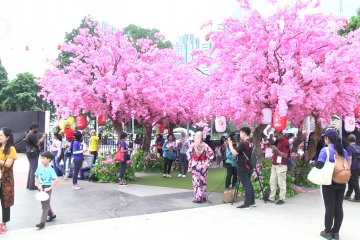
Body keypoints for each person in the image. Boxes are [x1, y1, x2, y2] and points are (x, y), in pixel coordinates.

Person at [315, 128, 350, 240]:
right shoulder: (343, 151)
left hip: (328, 182)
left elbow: (320, 165)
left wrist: (313, 163)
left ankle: (328, 232)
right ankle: (336, 232)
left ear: (327, 138)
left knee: (329, 207)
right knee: (338, 207)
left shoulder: (326, 150)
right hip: (342, 181)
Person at [228, 127, 255, 209]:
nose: (239, 135)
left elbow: (234, 153)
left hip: (242, 166)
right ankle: (252, 201)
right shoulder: (251, 142)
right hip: (249, 166)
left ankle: (247, 204)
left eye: (240, 133)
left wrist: (229, 144)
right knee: (249, 184)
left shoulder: (243, 143)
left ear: (243, 133)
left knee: (246, 185)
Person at [34, 151, 59, 229]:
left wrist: (49, 188)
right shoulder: (39, 167)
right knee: (45, 204)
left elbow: (56, 180)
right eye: (41, 158)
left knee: (45, 206)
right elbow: (36, 176)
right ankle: (51, 215)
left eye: (44, 158)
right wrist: (37, 184)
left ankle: (42, 222)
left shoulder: (50, 169)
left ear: (49, 159)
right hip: (41, 187)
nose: (42, 160)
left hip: (47, 188)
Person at [187, 131, 214, 203]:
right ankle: (203, 196)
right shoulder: (205, 146)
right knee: (203, 181)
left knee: (196, 182)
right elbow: (211, 155)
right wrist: (206, 163)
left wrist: (192, 161)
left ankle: (198, 198)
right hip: (203, 166)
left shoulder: (193, 146)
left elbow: (188, 156)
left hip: (195, 166)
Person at [0, 127, 17, 234]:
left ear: (7, 137)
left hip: (6, 181)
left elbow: (8, 164)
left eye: (1, 135)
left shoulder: (11, 149)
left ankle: (4, 224)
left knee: (5, 203)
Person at [26, 122, 47, 190]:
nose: (38, 130)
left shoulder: (29, 134)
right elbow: (38, 143)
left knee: (31, 169)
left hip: (30, 153)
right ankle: (32, 185)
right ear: (34, 128)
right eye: (37, 128)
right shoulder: (31, 135)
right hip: (33, 154)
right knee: (34, 169)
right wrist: (43, 137)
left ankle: (29, 184)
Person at [344, 134, 360, 202]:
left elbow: (349, 159)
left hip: (353, 167)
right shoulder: (358, 147)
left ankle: (358, 197)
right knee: (351, 181)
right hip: (358, 166)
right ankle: (348, 194)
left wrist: (348, 168)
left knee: (354, 181)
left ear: (348, 140)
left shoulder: (349, 148)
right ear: (355, 140)